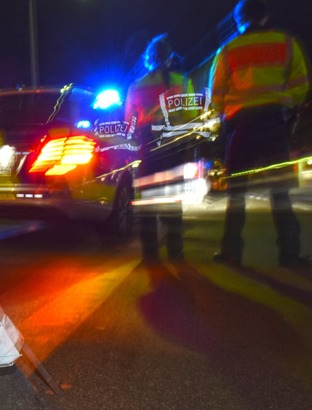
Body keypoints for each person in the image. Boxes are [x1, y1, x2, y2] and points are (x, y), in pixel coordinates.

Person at [209, 0, 310, 267]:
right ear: (265, 16)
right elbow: (300, 84)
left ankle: (231, 251)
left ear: (239, 20)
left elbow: (216, 94)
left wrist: (227, 112)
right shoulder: (286, 43)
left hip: (241, 127)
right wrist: (286, 105)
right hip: (274, 124)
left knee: (237, 193)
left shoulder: (228, 50)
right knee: (280, 192)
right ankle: (289, 254)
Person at [125, 34, 199, 263]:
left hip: (148, 144)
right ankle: (176, 251)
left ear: (148, 59)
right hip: (175, 144)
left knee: (148, 199)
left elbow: (130, 121)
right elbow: (192, 116)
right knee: (173, 199)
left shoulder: (136, 86)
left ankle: (150, 255)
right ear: (170, 58)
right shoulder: (182, 81)